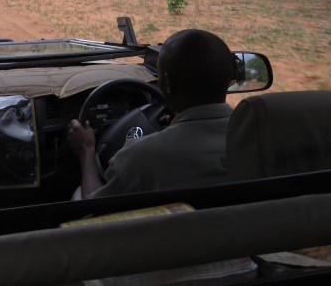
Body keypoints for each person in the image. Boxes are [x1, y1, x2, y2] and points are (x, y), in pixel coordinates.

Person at [68, 29, 236, 198]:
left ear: (168, 84)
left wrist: (87, 150)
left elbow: (93, 210)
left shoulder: (140, 157)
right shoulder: (255, 137)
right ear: (230, 80)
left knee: (78, 193)